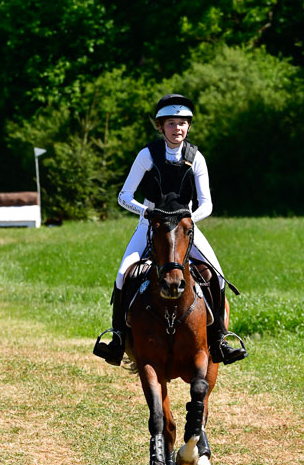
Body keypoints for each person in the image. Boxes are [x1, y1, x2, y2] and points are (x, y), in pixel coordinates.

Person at [93, 93, 247, 367]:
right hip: (150, 224)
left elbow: (207, 203)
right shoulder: (147, 155)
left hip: (186, 228)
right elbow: (124, 196)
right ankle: (117, 339)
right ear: (161, 126)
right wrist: (147, 212)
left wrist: (189, 219)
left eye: (183, 123)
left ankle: (221, 340)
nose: (178, 128)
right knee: (122, 275)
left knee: (218, 277)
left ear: (188, 126)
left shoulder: (196, 157)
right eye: (171, 123)